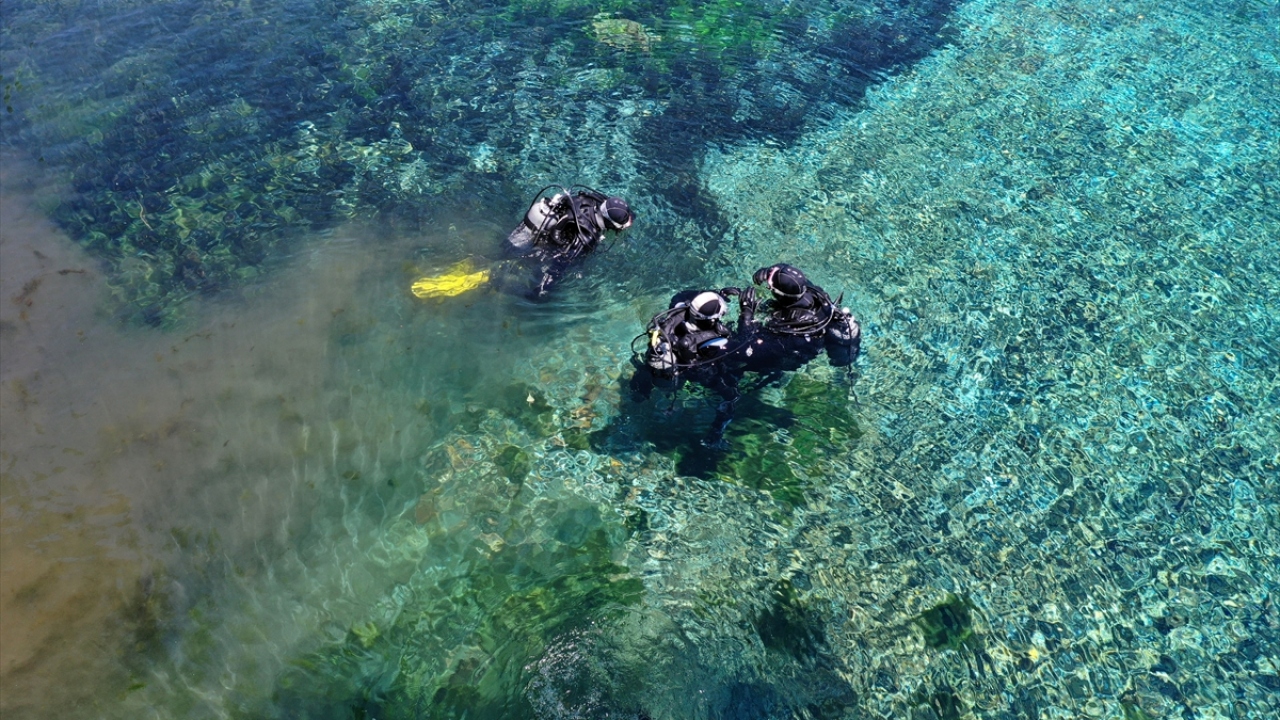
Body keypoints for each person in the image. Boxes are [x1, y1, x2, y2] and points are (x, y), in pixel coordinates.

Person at [628, 289, 745, 446]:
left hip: (658, 363)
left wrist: (719, 294)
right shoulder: (712, 340)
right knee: (732, 396)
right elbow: (743, 348)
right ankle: (715, 434)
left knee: (640, 389)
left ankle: (639, 394)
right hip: (692, 370)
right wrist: (747, 316)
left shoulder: (676, 311)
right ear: (711, 320)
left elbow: (681, 295)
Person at [497, 185, 634, 298]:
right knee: (523, 275)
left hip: (538, 220)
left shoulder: (590, 199)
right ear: (611, 224)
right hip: (544, 239)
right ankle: (497, 281)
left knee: (503, 252)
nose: (628, 223)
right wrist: (541, 291)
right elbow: (559, 266)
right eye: (623, 223)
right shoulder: (586, 237)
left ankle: (498, 258)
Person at [737, 263, 861, 376]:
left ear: (780, 295)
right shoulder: (815, 293)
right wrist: (769, 272)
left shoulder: (795, 334)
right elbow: (792, 276)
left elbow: (748, 349)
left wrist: (746, 315)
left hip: (786, 355)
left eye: (770, 288)